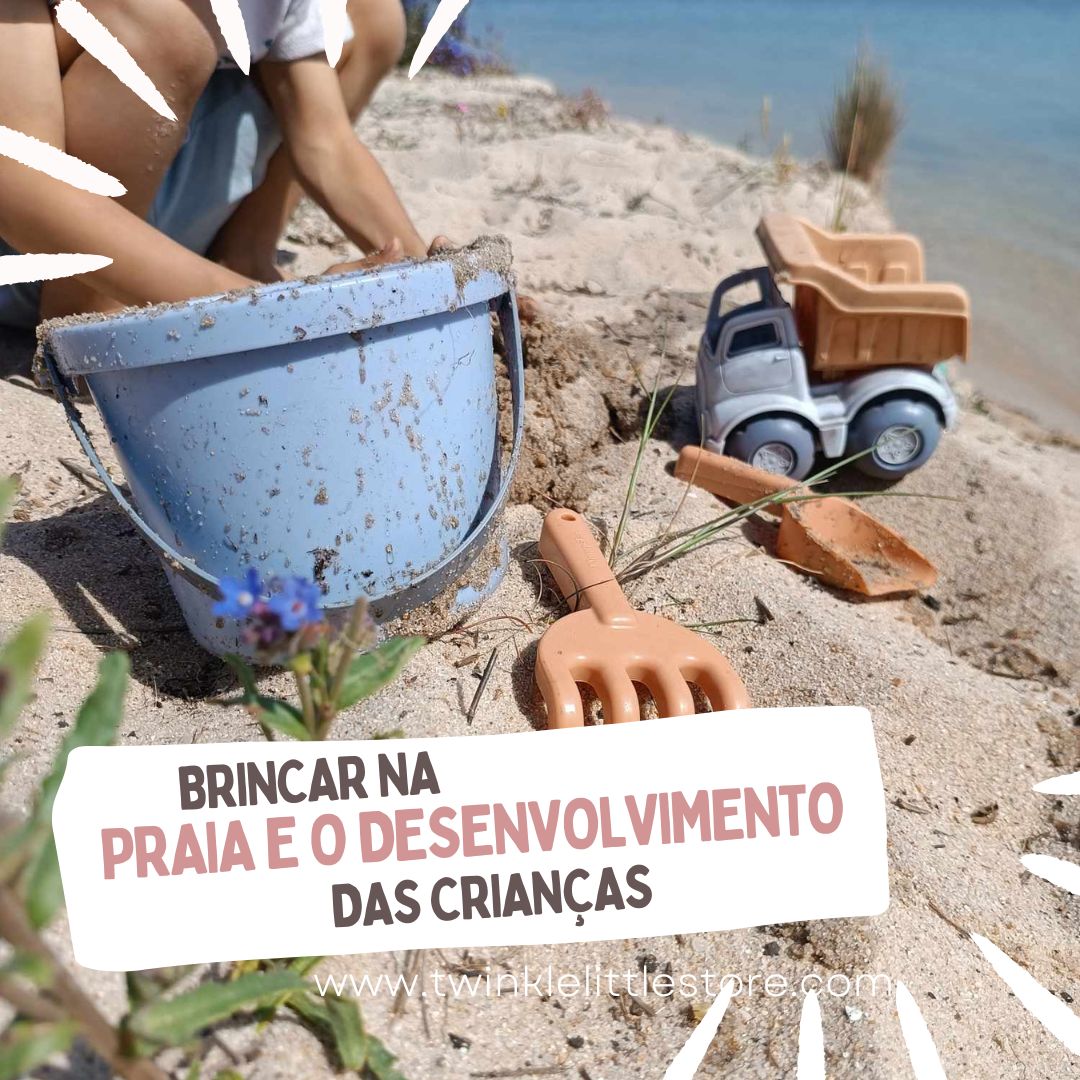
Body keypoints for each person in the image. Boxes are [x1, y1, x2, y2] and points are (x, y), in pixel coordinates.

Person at [0, 0, 430, 329]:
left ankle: (244, 252)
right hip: (35, 252)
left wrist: (427, 273)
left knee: (371, 16)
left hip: (150, 214)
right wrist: (269, 311)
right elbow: (21, 189)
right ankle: (87, 316)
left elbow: (324, 140)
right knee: (160, 27)